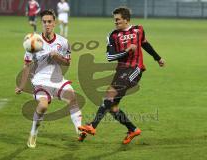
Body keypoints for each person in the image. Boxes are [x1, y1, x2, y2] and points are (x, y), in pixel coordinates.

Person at [78, 7, 165, 144]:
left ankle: (92, 125)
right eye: (114, 20)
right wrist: (126, 50)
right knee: (112, 107)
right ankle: (132, 129)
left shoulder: (139, 30)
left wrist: (158, 58)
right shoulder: (112, 35)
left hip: (135, 69)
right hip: (121, 71)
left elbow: (145, 44)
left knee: (109, 95)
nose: (115, 22)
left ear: (126, 19)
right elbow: (110, 57)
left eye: (118, 20)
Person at [15, 9, 85, 148]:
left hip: (58, 79)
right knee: (43, 106)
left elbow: (67, 62)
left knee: (72, 98)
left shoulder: (63, 42)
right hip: (40, 81)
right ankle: (33, 134)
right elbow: (27, 65)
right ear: (41, 23)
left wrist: (57, 56)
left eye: (50, 22)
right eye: (44, 22)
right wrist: (22, 85)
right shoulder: (33, 41)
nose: (47, 24)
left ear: (55, 23)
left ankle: (79, 130)